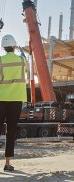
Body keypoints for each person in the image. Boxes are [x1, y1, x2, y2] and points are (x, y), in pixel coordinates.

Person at [0, 34, 27, 171]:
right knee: (10, 132)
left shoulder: (0, 61)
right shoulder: (21, 60)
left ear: (3, 47)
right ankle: (7, 163)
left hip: (1, 99)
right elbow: (25, 57)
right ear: (14, 46)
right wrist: (20, 48)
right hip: (16, 99)